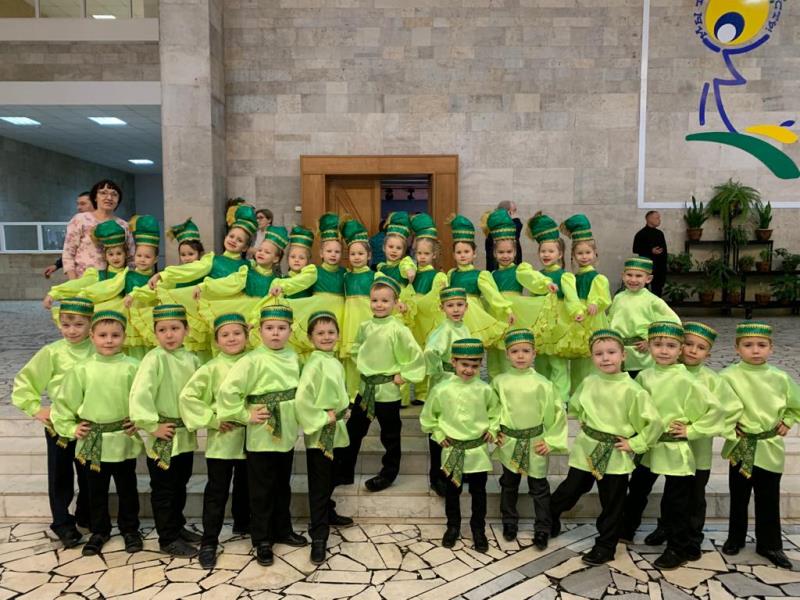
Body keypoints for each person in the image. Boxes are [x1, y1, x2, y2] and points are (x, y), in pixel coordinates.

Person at [549, 329, 661, 566]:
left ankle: (606, 545)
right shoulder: (589, 382)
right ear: (592, 357)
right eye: (599, 354)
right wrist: (583, 418)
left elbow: (654, 423)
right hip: (587, 449)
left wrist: (635, 443)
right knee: (571, 488)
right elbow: (577, 405)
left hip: (615, 453)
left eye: (611, 352)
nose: (605, 358)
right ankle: (550, 516)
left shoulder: (633, 390)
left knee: (612, 501)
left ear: (623, 356)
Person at [619, 321, 718, 570]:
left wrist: (692, 430)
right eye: (658, 345)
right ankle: (626, 529)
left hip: (675, 447)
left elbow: (716, 410)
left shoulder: (687, 379)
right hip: (649, 446)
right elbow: (632, 407)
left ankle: (677, 547)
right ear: (649, 346)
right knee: (638, 486)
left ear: (679, 349)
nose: (664, 351)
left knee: (677, 500)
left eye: (671, 346)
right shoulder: (644, 376)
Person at [217, 305, 308, 567]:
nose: (275, 333)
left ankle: (283, 529)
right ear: (259, 331)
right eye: (270, 328)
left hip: (286, 430)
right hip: (261, 434)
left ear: (290, 331)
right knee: (261, 488)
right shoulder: (251, 360)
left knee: (282, 484)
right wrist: (244, 414)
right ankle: (262, 539)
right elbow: (228, 392)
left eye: (281, 328)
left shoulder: (293, 357)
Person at [51, 309, 142, 556]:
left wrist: (139, 421)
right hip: (93, 440)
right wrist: (71, 427)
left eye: (115, 335)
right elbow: (64, 404)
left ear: (124, 336)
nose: (109, 340)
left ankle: (130, 529)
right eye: (103, 335)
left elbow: (143, 399)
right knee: (95, 490)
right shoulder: (82, 369)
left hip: (122, 438)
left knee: (127, 488)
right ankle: (99, 530)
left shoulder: (134, 367)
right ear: (92, 336)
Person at [644, 322, 737, 558]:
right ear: (679, 346)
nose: (693, 351)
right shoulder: (662, 372)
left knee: (695, 495)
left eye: (701, 347)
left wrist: (696, 429)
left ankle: (693, 537)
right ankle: (666, 527)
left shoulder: (711, 380)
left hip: (697, 449)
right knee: (671, 492)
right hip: (666, 446)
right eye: (688, 344)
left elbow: (729, 409)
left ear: (708, 353)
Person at [11, 297, 94, 548]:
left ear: (91, 324)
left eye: (79, 325)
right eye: (66, 325)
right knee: (60, 474)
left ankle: (86, 514)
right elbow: (25, 381)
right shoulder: (53, 352)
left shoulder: (99, 349)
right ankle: (62, 523)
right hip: (59, 425)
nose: (72, 331)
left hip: (90, 425)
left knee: (90, 473)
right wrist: (36, 408)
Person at [720, 321, 800, 569]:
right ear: (737, 348)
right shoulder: (727, 377)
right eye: (748, 345)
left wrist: (788, 420)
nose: (755, 350)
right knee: (739, 496)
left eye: (761, 345)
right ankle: (735, 538)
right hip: (742, 445)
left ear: (771, 348)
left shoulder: (780, 378)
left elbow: (795, 404)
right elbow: (717, 405)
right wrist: (728, 424)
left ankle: (770, 544)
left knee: (768, 497)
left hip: (769, 445)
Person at [336, 277, 426, 492]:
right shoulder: (365, 326)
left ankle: (388, 474)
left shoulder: (399, 329)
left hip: (387, 392)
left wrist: (404, 374)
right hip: (366, 390)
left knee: (390, 435)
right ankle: (343, 471)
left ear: (395, 303)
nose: (379, 305)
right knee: (353, 430)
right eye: (375, 300)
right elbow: (357, 349)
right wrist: (366, 366)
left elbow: (415, 356)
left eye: (385, 301)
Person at [128, 304, 202, 557]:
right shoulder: (154, 359)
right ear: (155, 333)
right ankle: (167, 538)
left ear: (186, 330)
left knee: (180, 483)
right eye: (162, 330)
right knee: (164, 488)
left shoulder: (192, 359)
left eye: (175, 328)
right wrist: (152, 425)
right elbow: (140, 393)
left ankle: (177, 526)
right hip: (164, 435)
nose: (169, 335)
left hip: (184, 434)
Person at [179, 313, 250, 569]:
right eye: (225, 335)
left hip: (253, 436)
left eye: (237, 333)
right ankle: (209, 541)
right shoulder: (211, 368)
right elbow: (188, 397)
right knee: (217, 491)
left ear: (247, 337)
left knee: (248, 485)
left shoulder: (254, 362)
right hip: (224, 438)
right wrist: (212, 419)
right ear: (217, 341)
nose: (231, 338)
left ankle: (246, 524)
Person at [420, 338, 499, 552]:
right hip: (452, 450)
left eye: (474, 365)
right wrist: (438, 433)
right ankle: (452, 527)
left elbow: (495, 413)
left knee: (478, 492)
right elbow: (429, 416)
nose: (469, 370)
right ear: (453, 362)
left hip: (477, 451)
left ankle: (478, 529)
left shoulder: (485, 390)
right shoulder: (441, 390)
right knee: (452, 492)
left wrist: (492, 429)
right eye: (464, 364)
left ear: (480, 364)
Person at [149, 205, 257, 361]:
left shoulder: (248, 266)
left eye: (239, 240)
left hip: (237, 311)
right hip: (212, 310)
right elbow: (191, 269)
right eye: (231, 236)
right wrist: (163, 275)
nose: (233, 241)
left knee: (238, 348)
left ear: (246, 247)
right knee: (216, 348)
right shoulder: (212, 259)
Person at [492, 329, 567, 549]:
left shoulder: (543, 384)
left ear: (534, 354)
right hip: (510, 442)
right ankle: (509, 521)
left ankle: (543, 527)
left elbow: (557, 412)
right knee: (509, 483)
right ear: (507, 354)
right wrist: (495, 431)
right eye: (515, 351)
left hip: (536, 442)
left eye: (526, 351)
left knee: (539, 487)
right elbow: (492, 409)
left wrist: (551, 441)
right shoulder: (499, 382)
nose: (520, 355)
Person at [295, 311, 354, 565]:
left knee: (332, 475)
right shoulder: (314, 364)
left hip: (336, 428)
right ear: (310, 338)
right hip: (322, 432)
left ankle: (327, 512)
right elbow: (302, 399)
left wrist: (344, 407)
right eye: (320, 333)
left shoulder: (334, 361)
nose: (326, 337)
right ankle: (319, 535)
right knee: (319, 484)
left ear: (338, 335)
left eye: (331, 332)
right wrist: (321, 417)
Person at [484, 208, 555, 379]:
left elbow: (532, 277)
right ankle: (495, 383)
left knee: (510, 348)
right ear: (494, 253)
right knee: (494, 352)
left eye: (509, 252)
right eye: (501, 252)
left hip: (515, 314)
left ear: (515, 253)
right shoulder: (491, 275)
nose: (505, 256)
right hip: (496, 312)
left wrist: (546, 283)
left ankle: (513, 381)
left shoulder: (519, 270)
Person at [81, 215, 162, 360]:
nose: (142, 260)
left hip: (148, 319)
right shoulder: (126, 276)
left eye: (147, 257)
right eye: (139, 255)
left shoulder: (158, 278)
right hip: (127, 321)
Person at [528, 213, 583, 400]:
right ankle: (543, 396)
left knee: (558, 363)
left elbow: (571, 297)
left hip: (559, 323)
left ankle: (561, 399)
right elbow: (533, 299)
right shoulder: (536, 276)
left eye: (550, 251)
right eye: (543, 251)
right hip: (541, 324)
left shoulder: (564, 276)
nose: (546, 255)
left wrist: (577, 311)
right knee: (541, 361)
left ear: (559, 254)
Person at [423, 286, 472, 496]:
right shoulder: (444, 330)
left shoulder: (464, 328)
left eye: (459, 305)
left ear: (466, 307)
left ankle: (455, 469)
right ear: (442, 308)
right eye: (450, 305)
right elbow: (430, 351)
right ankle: (437, 476)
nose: (456, 309)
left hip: (462, 384)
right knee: (440, 429)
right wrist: (439, 371)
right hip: (446, 384)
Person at [561, 214, 612, 391]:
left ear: (595, 254)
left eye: (588, 253)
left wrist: (596, 304)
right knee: (578, 358)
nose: (584, 257)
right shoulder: (572, 278)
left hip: (593, 318)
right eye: (580, 253)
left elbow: (603, 297)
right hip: (578, 317)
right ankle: (577, 391)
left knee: (593, 354)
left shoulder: (598, 278)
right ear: (573, 256)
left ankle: (595, 390)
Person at [608, 257, 680, 378]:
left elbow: (674, 322)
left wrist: (651, 340)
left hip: (641, 352)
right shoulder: (618, 298)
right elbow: (610, 319)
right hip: (619, 351)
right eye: (629, 275)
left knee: (643, 381)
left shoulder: (653, 301)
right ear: (623, 276)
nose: (633, 279)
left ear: (648, 279)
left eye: (638, 276)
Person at [447, 214, 511, 349]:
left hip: (474, 315)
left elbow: (493, 295)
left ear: (474, 253)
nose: (463, 255)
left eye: (466, 251)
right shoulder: (451, 274)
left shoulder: (480, 275)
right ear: (453, 255)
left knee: (472, 347)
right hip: (454, 313)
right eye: (459, 252)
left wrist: (507, 310)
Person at [406, 213, 448, 404]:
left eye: (426, 254)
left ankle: (430, 391)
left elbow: (434, 298)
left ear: (434, 255)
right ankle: (420, 392)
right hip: (415, 320)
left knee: (429, 353)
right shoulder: (412, 274)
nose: (422, 257)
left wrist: (416, 303)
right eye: (419, 254)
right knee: (417, 353)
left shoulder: (438, 276)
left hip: (429, 320)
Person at [43, 220, 129, 310]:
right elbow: (78, 284)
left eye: (119, 253)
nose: (115, 258)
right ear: (105, 256)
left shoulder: (128, 276)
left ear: (126, 254)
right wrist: (53, 294)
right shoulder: (98, 275)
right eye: (111, 254)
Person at [62, 180, 135, 279]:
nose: (109, 197)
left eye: (114, 194)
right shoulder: (80, 219)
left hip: (114, 281)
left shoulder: (124, 225)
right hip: (83, 280)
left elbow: (131, 257)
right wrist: (73, 281)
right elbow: (68, 253)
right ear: (95, 197)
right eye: (103, 193)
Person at [339, 218, 375, 400]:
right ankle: (352, 395)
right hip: (350, 323)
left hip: (368, 322)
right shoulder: (345, 277)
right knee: (351, 360)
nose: (357, 257)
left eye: (361, 253)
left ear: (369, 255)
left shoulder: (375, 276)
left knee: (369, 358)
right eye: (353, 254)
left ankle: (370, 394)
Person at [44, 191, 93, 278]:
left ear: (95, 203)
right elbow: (70, 250)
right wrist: (56, 265)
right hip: (81, 275)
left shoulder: (110, 224)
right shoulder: (77, 222)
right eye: (78, 204)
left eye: (83, 204)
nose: (79, 207)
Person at [632, 211, 667, 297]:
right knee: (643, 290)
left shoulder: (660, 233)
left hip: (659, 267)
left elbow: (664, 250)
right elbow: (635, 249)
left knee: (658, 290)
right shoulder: (641, 234)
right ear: (649, 219)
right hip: (646, 267)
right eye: (657, 218)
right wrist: (651, 251)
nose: (659, 220)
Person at [485, 200, 523, 271]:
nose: (515, 213)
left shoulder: (493, 230)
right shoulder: (513, 226)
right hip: (497, 269)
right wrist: (514, 219)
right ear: (508, 212)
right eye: (514, 210)